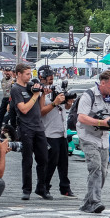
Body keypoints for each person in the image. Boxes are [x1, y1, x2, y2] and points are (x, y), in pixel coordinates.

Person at [76, 70, 110, 214]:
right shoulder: (88, 95)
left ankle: (87, 203)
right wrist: (102, 122)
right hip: (88, 136)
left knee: (103, 172)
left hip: (104, 138)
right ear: (102, 83)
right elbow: (81, 118)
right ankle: (95, 202)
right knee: (95, 167)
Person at [10, 63, 51, 201]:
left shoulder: (32, 86)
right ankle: (26, 189)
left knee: (44, 159)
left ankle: (41, 188)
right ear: (19, 74)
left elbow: (39, 109)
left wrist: (42, 95)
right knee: (27, 159)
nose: (30, 76)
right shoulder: (16, 89)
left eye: (30, 74)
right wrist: (35, 95)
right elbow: (24, 109)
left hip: (38, 127)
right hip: (26, 127)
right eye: (27, 74)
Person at [40, 67, 75, 198]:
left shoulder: (57, 88)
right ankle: (44, 187)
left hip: (62, 131)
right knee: (50, 163)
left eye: (52, 74)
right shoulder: (39, 91)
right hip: (49, 132)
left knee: (64, 163)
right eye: (48, 75)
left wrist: (68, 102)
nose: (51, 77)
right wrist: (54, 103)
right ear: (42, 76)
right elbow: (40, 111)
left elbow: (65, 107)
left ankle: (65, 188)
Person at [0, 67, 15, 134]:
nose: (7, 72)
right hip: (5, 98)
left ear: (11, 72)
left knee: (9, 117)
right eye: (6, 71)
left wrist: (9, 103)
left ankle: (11, 133)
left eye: (9, 71)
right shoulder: (3, 80)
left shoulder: (13, 81)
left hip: (11, 99)